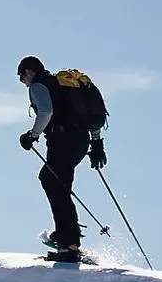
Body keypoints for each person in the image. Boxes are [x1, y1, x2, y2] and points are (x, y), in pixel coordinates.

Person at [17, 55, 107, 262]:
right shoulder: (62, 85)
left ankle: (69, 244)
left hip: (63, 140)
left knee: (51, 181)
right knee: (59, 184)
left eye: (21, 76)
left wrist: (32, 135)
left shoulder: (39, 85)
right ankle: (67, 235)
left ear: (29, 71)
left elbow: (46, 111)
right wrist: (97, 143)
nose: (22, 81)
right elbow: (87, 115)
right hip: (80, 140)